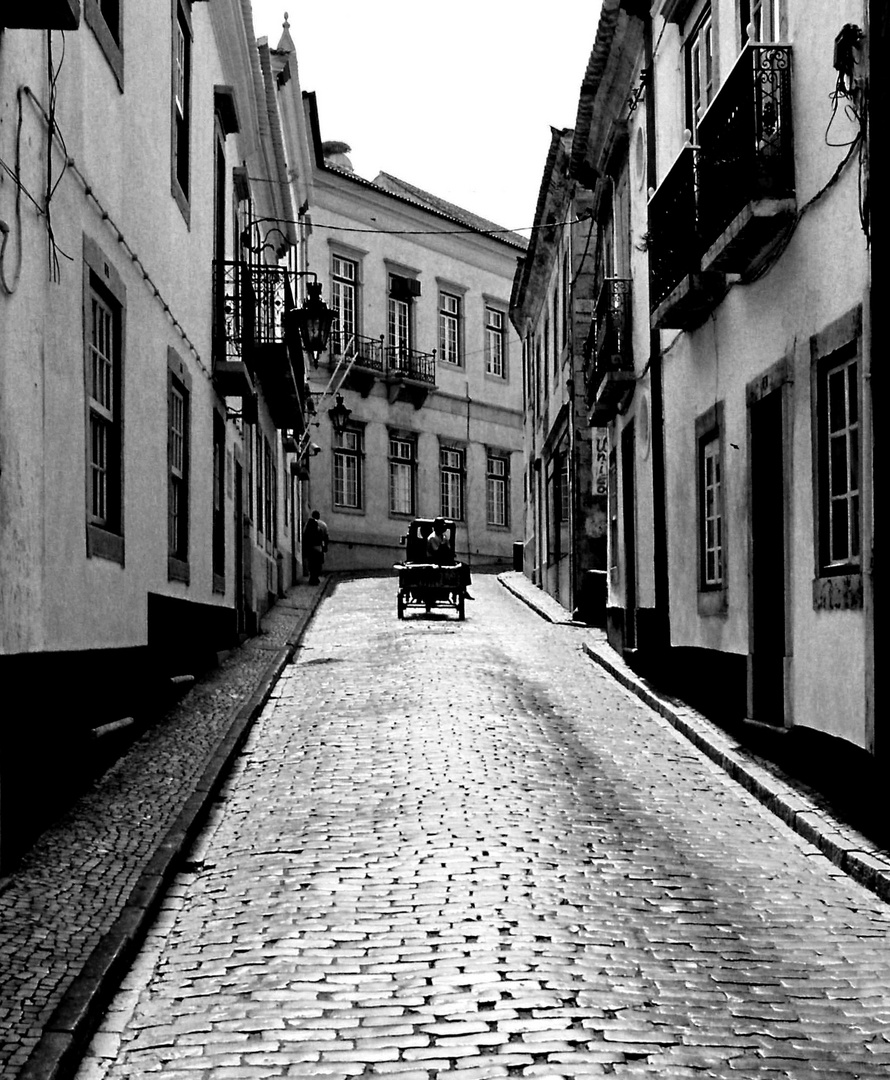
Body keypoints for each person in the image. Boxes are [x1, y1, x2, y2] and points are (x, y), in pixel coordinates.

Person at [426, 517, 474, 599]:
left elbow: (448, 548)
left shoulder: (443, 537)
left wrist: (449, 553)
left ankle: (463, 589)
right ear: (437, 527)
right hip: (434, 560)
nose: (443, 528)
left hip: (443, 559)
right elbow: (436, 551)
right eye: (441, 526)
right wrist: (445, 551)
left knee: (464, 567)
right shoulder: (432, 538)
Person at [302, 509, 329, 585]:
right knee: (318, 564)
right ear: (319, 516)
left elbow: (304, 535)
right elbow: (326, 537)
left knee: (311, 563)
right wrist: (325, 548)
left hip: (310, 547)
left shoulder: (308, 524)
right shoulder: (323, 525)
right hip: (319, 547)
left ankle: (312, 577)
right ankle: (316, 577)